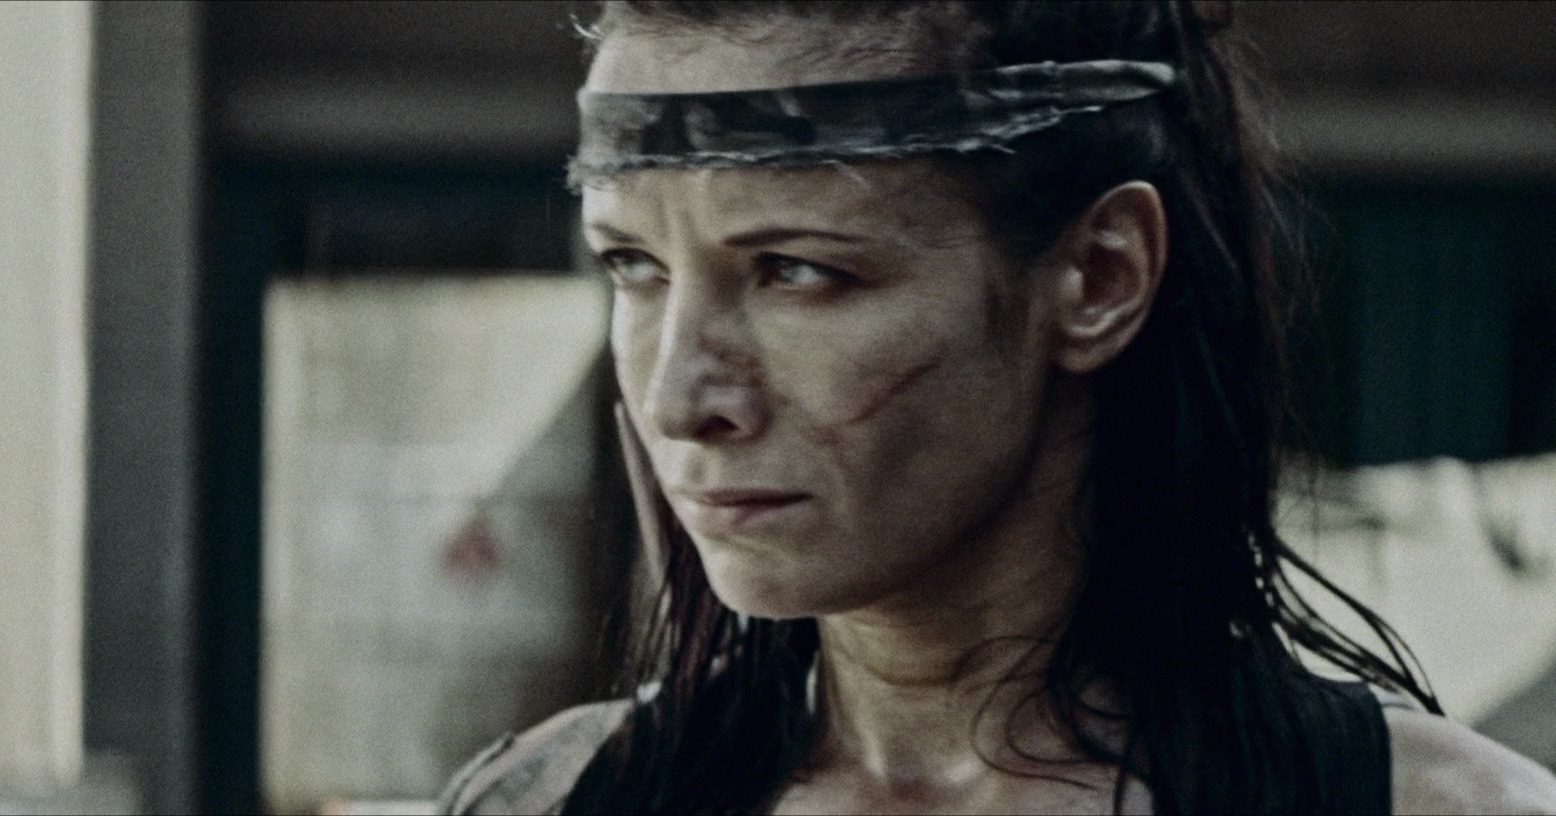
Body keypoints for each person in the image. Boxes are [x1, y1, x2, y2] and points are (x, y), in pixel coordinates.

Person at [440, 2, 1556, 813]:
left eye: (797, 271)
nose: (679, 397)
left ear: (1100, 276)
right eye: (632, 265)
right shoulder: (550, 800)